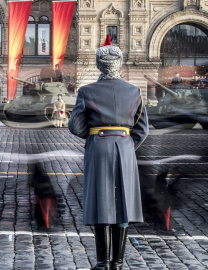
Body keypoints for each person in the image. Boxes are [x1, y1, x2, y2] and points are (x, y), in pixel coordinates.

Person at [68, 45, 149, 270]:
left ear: (98, 65)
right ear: (120, 63)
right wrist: (126, 143)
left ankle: (102, 262)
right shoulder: (134, 91)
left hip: (99, 147)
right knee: (123, 203)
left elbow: (75, 126)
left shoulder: (86, 91)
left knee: (100, 201)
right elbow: (143, 129)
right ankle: (118, 263)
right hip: (125, 147)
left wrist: (96, 137)